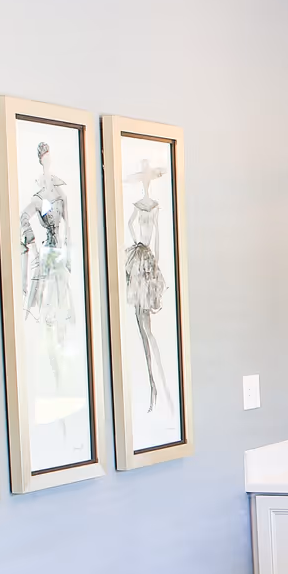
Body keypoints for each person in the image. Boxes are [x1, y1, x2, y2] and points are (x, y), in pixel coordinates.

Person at [18, 141, 75, 383]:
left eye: (50, 157)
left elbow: (69, 224)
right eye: (45, 157)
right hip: (49, 253)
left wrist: (69, 253)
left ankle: (62, 365)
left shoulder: (60, 193)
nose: (48, 161)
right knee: (50, 311)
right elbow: (23, 217)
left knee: (62, 307)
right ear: (41, 160)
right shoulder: (40, 197)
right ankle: (55, 370)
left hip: (60, 253)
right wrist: (31, 243)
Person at [122, 158, 170, 412]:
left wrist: (154, 265)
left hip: (146, 261)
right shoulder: (142, 207)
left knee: (146, 328)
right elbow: (133, 225)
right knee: (142, 326)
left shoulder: (150, 207)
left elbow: (157, 235)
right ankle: (151, 382)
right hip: (142, 258)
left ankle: (154, 382)